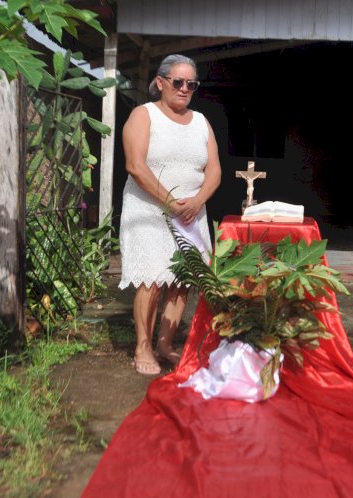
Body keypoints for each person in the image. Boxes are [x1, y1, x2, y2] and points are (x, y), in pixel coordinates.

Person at [118, 54, 221, 375]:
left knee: (182, 280)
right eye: (178, 82)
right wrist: (171, 202)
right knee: (151, 278)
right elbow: (135, 165)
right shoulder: (143, 115)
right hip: (150, 209)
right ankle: (143, 347)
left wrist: (196, 201)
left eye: (191, 83)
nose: (184, 88)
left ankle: (165, 344)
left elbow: (214, 170)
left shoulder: (202, 122)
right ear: (160, 82)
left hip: (191, 213)